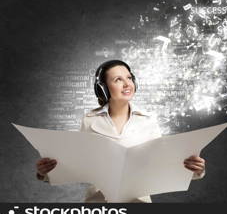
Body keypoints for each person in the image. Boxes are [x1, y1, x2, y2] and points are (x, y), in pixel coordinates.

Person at [35, 60, 206, 202]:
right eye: (118, 80)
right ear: (103, 88)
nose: (127, 84)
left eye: (129, 78)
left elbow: (163, 165)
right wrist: (45, 173)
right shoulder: (89, 120)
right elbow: (77, 165)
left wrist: (196, 170)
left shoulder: (148, 120)